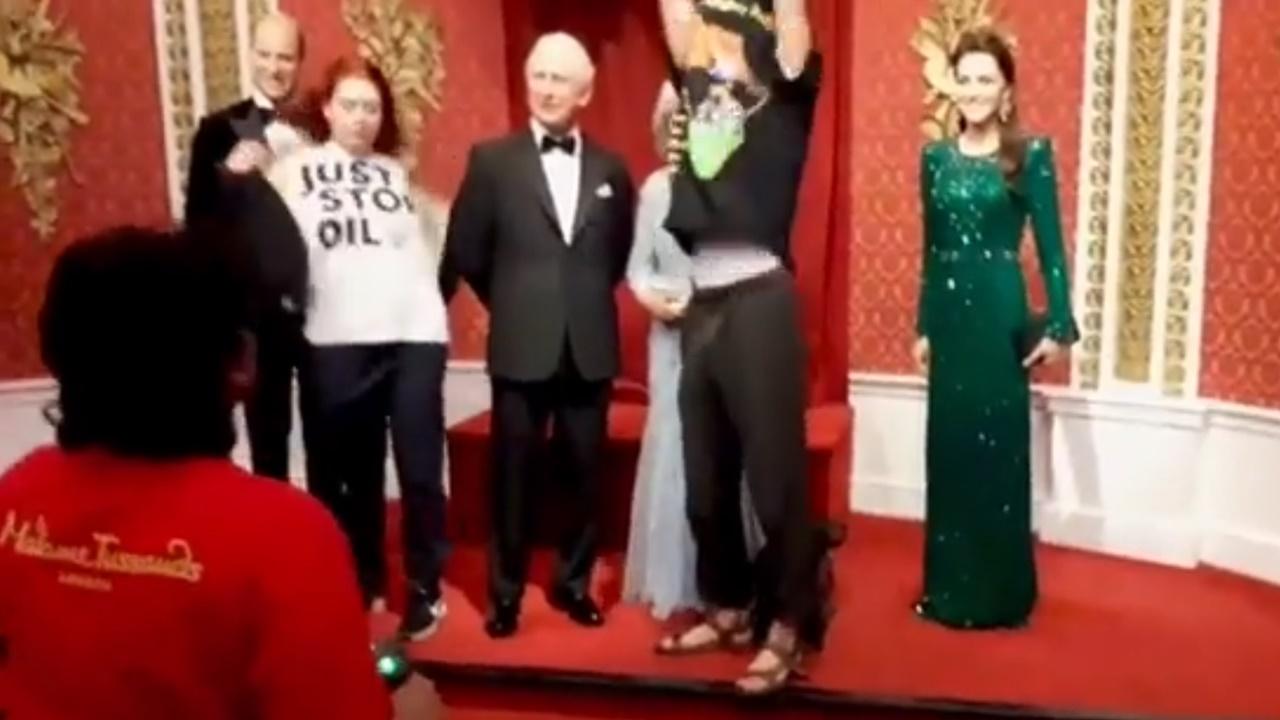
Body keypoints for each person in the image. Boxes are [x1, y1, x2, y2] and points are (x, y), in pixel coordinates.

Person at [0, 226, 439, 719]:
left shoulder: (17, 491)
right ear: (242, 360)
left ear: (55, 355)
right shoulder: (284, 535)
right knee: (419, 701)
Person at [652, 0, 826, 695]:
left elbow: (792, 25)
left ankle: (789, 622)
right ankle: (726, 604)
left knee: (776, 482)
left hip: (759, 296)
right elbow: (674, 18)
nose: (710, 47)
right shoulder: (702, 83)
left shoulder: (785, 85)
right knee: (706, 481)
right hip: (703, 299)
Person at [445, 32, 636, 639]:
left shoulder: (612, 169)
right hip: (521, 343)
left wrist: (576, 301)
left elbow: (616, 254)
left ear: (585, 92)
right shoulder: (491, 161)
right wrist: (513, 302)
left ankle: (574, 584)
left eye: (560, 79)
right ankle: (504, 595)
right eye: (540, 76)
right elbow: (467, 250)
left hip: (589, 345)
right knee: (512, 477)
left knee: (584, 474)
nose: (548, 89)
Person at [266, 57, 452, 641]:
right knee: (350, 475)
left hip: (414, 331)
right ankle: (359, 578)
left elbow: (436, 239)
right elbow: (269, 245)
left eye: (371, 108)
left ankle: (425, 587)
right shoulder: (293, 171)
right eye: (349, 105)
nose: (361, 118)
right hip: (335, 335)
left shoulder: (396, 173)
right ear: (327, 108)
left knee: (421, 469)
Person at [912, 28, 1078, 629]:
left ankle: (1001, 595)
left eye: (986, 79)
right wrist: (924, 325)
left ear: (1006, 89)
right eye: (965, 79)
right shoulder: (934, 158)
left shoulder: (1029, 155)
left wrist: (1059, 325)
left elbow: (1052, 250)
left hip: (999, 314)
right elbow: (931, 251)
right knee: (951, 451)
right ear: (951, 86)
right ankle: (949, 591)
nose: (975, 90)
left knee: (997, 454)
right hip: (950, 322)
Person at [621, 82, 765, 619]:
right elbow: (638, 268)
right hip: (671, 340)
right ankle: (674, 577)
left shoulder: (741, 189)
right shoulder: (656, 190)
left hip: (727, 336)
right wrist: (653, 300)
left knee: (723, 450)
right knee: (676, 450)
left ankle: (730, 581)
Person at [184, 12, 309, 482]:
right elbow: (199, 226)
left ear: (299, 62)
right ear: (251, 56)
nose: (274, 67)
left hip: (323, 305)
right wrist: (230, 177)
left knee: (331, 434)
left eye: (285, 57)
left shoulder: (321, 127)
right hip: (256, 314)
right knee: (267, 439)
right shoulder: (217, 129)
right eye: (265, 55)